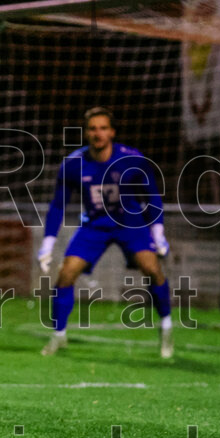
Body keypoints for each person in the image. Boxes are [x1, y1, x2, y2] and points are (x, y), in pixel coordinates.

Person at [36, 107, 174, 358]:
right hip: (95, 224)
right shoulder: (74, 164)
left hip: (130, 223)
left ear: (112, 132)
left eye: (102, 128)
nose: (97, 133)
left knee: (152, 269)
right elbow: (58, 205)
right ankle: (58, 335)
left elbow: (151, 196)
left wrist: (158, 231)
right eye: (92, 129)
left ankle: (166, 327)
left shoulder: (131, 159)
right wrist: (48, 243)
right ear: (86, 133)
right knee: (66, 273)